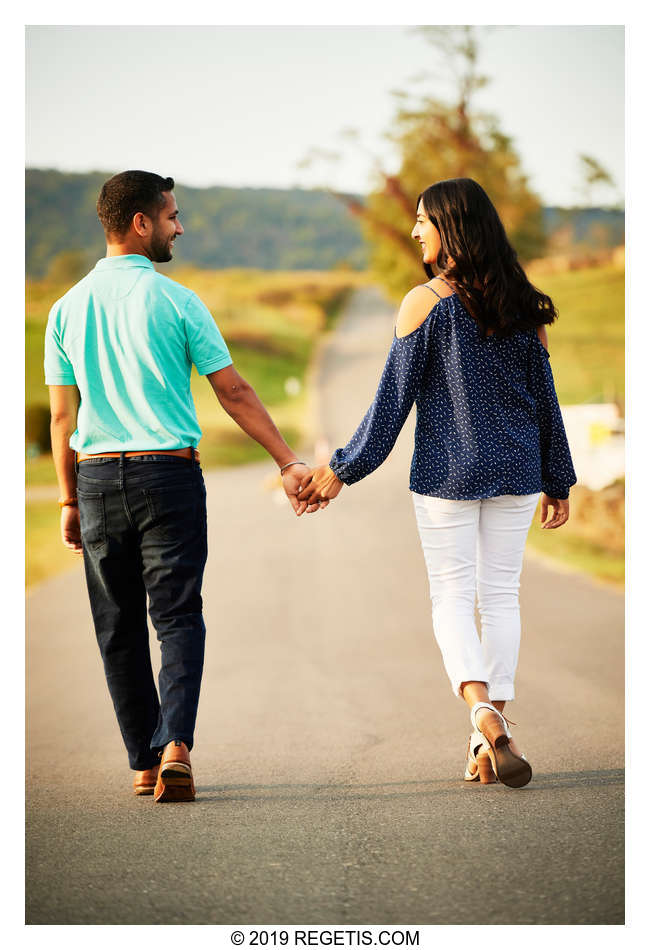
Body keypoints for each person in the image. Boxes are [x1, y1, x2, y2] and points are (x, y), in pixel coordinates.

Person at [44, 170, 324, 803]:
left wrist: (67, 498)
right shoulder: (177, 301)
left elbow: (63, 417)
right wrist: (286, 461)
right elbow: (233, 390)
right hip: (167, 474)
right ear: (141, 223)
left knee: (116, 625)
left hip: (94, 481)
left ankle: (143, 764)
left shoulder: (66, 309)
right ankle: (177, 747)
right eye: (171, 215)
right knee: (176, 615)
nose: (179, 226)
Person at [297, 177, 577, 788]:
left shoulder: (424, 302)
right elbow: (545, 404)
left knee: (452, 596)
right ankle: (490, 733)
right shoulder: (525, 305)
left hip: (447, 474)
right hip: (518, 470)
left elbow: (391, 404)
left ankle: (483, 715)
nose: (415, 229)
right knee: (501, 595)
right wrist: (558, 479)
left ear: (451, 226)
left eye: (423, 219)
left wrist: (341, 469)